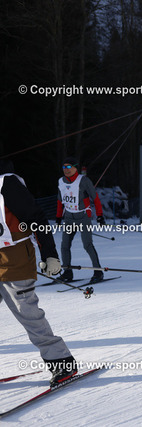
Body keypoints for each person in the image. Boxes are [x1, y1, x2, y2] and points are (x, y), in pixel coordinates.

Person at [0, 159, 77, 386]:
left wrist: (49, 254)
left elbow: (37, 218)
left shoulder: (7, 183)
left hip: (14, 257)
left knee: (26, 311)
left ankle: (61, 361)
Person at [56, 157, 105, 284]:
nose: (66, 170)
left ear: (75, 168)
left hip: (83, 217)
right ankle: (67, 272)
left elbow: (95, 198)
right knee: (64, 245)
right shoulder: (61, 181)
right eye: (64, 167)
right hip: (69, 218)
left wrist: (100, 215)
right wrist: (58, 217)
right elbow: (60, 201)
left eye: (69, 167)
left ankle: (98, 271)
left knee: (87, 244)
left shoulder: (83, 181)